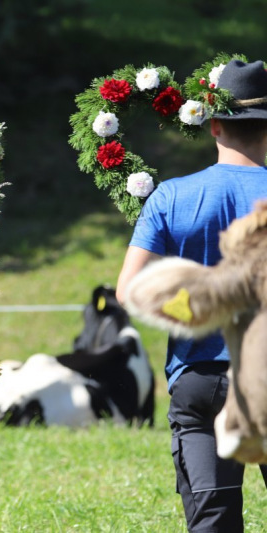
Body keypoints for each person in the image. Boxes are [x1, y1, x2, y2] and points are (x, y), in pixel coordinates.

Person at [116, 59, 267, 532]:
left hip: (199, 381)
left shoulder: (170, 196)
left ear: (213, 123)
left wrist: (195, 315)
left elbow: (129, 291)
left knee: (213, 520)